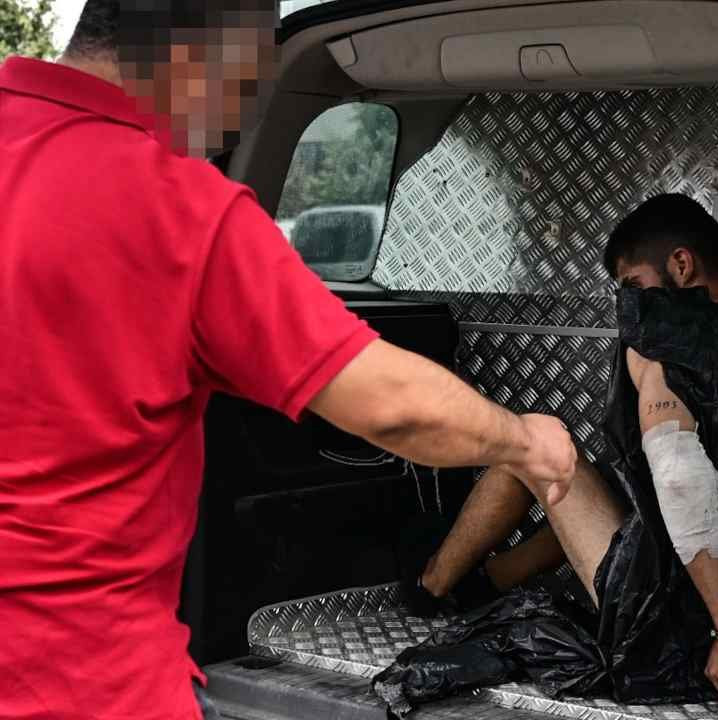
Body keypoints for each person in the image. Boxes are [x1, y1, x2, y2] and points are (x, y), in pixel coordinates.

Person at [0, 4, 577, 719]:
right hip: (83, 684)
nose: (239, 112)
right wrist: (525, 441)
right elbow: (390, 405)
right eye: (245, 79)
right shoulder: (172, 205)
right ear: (197, 49)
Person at [398, 194, 718, 704]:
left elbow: (680, 478)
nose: (629, 303)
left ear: (681, 264)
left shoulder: (662, 336)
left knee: (529, 440)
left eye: (633, 284)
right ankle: (487, 580)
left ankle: (430, 586)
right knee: (609, 483)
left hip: (667, 625)